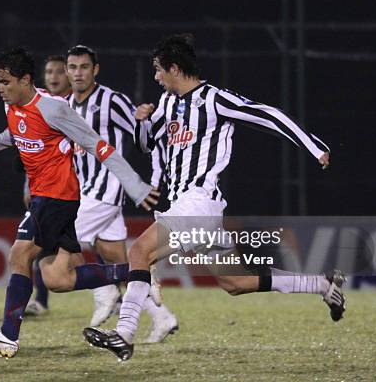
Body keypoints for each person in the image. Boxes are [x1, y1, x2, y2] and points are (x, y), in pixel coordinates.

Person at [83, 34, 346, 361]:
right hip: (189, 206)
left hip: (198, 201)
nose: (156, 77)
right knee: (235, 282)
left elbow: (268, 115)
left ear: (174, 68)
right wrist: (140, 124)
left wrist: (313, 145)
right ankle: (321, 285)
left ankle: (124, 333)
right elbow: (148, 143)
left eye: (158, 70)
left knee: (138, 251)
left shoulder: (214, 99)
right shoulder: (167, 103)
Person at [0, 47, 159, 359]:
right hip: (50, 196)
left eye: (5, 82)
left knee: (19, 254)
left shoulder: (53, 109)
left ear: (25, 80)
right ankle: (135, 273)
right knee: (58, 278)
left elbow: (97, 144)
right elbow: (13, 135)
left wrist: (134, 184)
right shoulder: (12, 105)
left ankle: (7, 335)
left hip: (56, 196)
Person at [64, 45, 178, 342]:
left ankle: (104, 293)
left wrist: (142, 120)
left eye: (84, 67)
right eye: (73, 67)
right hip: (84, 191)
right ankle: (162, 317)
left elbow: (145, 137)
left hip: (105, 190)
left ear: (95, 70)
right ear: (67, 71)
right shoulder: (66, 105)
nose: (78, 73)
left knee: (57, 239)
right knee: (121, 264)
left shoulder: (111, 101)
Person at [23, 55, 72, 316]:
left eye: (58, 71)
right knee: (38, 245)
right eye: (48, 71)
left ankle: (121, 291)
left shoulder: (72, 108)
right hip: (49, 189)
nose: (53, 76)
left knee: (95, 245)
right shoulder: (39, 107)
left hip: (74, 190)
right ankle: (40, 300)